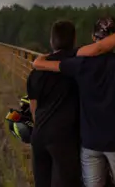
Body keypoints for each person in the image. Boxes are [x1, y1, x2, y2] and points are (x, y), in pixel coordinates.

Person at [33, 17, 115, 187]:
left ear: (92, 36)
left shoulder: (81, 64)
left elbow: (48, 65)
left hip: (90, 141)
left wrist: (39, 61)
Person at [26, 20, 81, 187]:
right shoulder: (77, 65)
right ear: (74, 39)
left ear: (52, 41)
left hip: (40, 134)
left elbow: (33, 108)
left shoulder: (37, 71)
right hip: (65, 137)